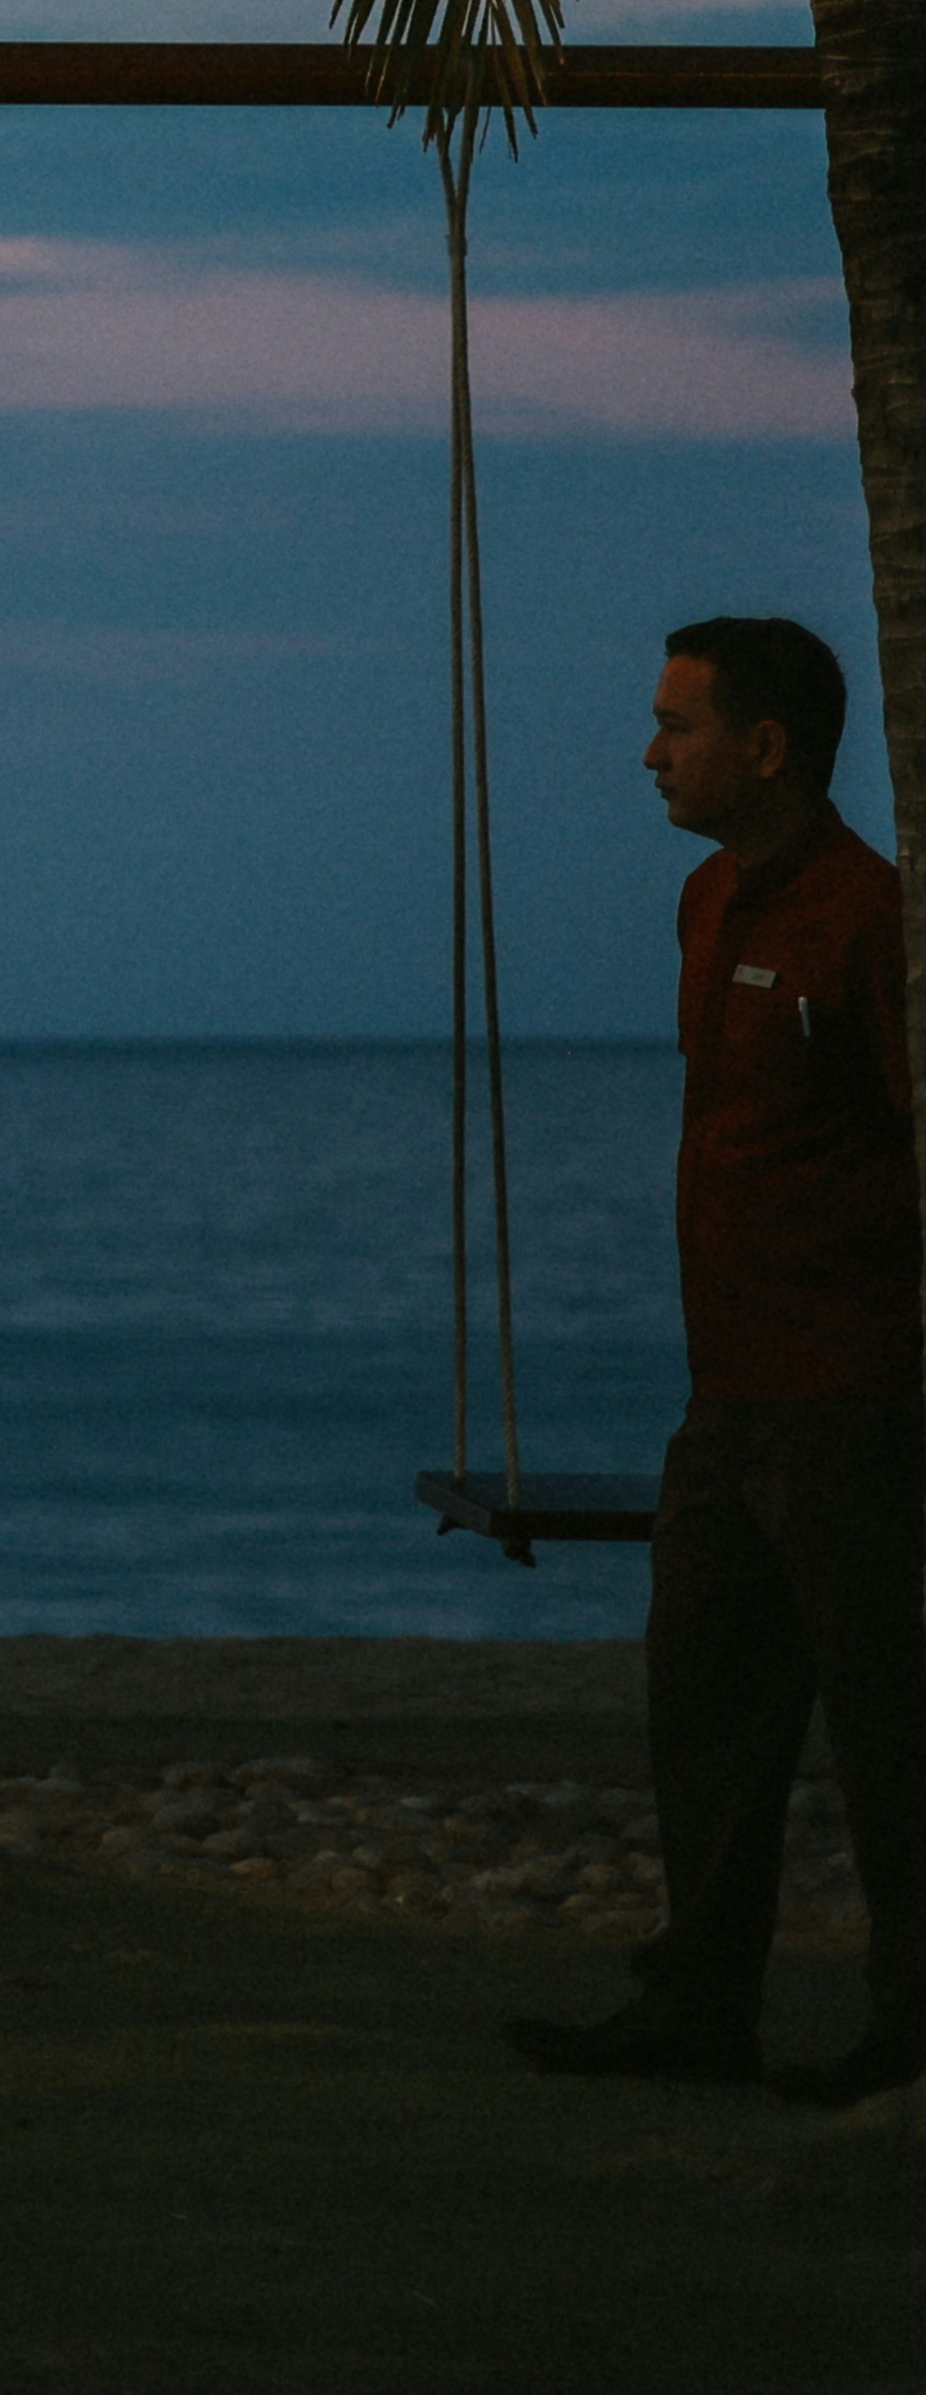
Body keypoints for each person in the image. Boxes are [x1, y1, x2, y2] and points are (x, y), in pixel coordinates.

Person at [511, 613, 918, 2104]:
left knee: (884, 1724)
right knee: (704, 1699)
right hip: (728, 1385)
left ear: (762, 746)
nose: (646, 751)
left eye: (673, 724)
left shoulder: (867, 918)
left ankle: (905, 2024)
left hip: (852, 1391)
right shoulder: (702, 902)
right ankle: (697, 2002)